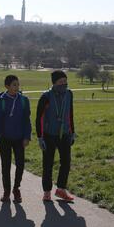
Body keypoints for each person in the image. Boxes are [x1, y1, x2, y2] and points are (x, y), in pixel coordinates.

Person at [36, 70, 77, 202]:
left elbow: (70, 114)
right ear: (54, 83)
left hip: (64, 134)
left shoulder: (69, 94)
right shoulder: (46, 97)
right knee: (48, 164)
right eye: (61, 82)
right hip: (49, 135)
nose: (64, 84)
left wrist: (72, 132)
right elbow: (39, 118)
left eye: (65, 81)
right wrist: (40, 137)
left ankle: (61, 189)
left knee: (66, 162)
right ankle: (47, 192)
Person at [0, 75, 32, 203]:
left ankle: (16, 189)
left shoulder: (24, 100)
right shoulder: (1, 100)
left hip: (19, 139)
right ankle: (7, 191)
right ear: (7, 86)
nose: (16, 87)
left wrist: (27, 136)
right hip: (5, 139)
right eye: (14, 85)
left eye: (17, 84)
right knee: (6, 166)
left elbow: (27, 120)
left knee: (20, 164)